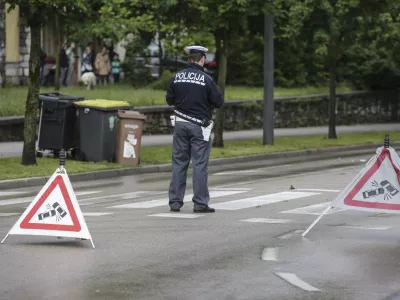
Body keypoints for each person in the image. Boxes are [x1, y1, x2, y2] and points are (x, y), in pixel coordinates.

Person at [165, 45, 224, 213]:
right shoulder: (207, 79)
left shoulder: (177, 77)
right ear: (202, 59)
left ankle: (175, 202)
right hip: (199, 126)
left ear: (190, 59)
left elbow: (169, 99)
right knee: (199, 164)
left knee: (178, 163)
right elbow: (219, 102)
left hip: (180, 124)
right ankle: (200, 203)